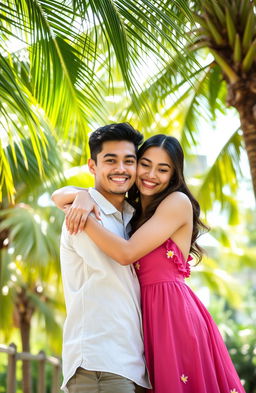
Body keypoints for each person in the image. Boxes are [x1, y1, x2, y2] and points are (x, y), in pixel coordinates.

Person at [54, 134, 246, 393]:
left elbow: (127, 253)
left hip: (173, 318)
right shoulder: (130, 214)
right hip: (146, 329)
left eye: (163, 169)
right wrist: (81, 196)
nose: (151, 174)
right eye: (145, 164)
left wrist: (80, 213)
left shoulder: (177, 202)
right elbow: (59, 194)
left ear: (173, 175)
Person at [52, 123, 151, 393]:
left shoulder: (132, 218)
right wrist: (80, 195)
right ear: (92, 166)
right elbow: (122, 255)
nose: (121, 169)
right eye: (110, 160)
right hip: (99, 364)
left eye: (129, 161)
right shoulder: (82, 214)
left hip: (134, 365)